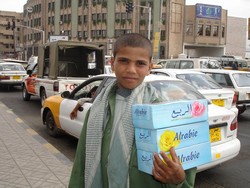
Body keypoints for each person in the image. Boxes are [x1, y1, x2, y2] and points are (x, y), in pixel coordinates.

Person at [69, 33, 196, 187]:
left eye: (140, 64)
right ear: (112, 62)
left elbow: (184, 175)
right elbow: (81, 164)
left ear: (150, 67)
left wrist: (178, 181)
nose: (131, 70)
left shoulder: (166, 114)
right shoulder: (97, 111)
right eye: (123, 61)